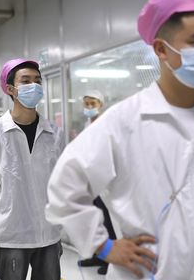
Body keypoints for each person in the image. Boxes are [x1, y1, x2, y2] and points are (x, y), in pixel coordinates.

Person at [46, 0, 194, 279]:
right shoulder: (123, 122)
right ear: (161, 49)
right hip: (146, 273)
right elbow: (64, 187)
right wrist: (101, 246)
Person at [0, 59, 64, 280]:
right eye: (26, 80)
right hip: (10, 235)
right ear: (11, 89)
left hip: (48, 234)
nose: (34, 85)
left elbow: (61, 182)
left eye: (37, 80)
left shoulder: (54, 133)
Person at [77, 90, 117, 276]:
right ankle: (97, 256)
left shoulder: (108, 125)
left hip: (106, 184)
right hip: (90, 183)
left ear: (101, 104)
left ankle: (111, 260)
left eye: (93, 103)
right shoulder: (87, 125)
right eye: (86, 103)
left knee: (109, 224)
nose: (89, 107)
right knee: (94, 222)